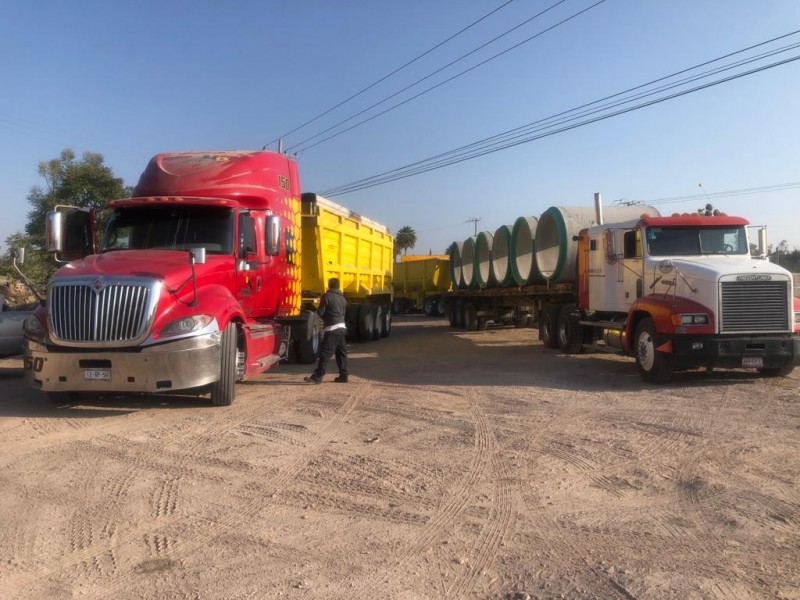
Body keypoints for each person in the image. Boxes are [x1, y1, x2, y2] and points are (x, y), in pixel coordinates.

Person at [304, 277, 349, 384]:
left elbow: (321, 312)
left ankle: (317, 377)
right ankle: (343, 376)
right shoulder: (343, 298)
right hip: (342, 327)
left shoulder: (327, 296)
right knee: (341, 352)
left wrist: (322, 318)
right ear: (338, 286)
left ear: (329, 285)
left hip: (332, 328)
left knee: (325, 353)